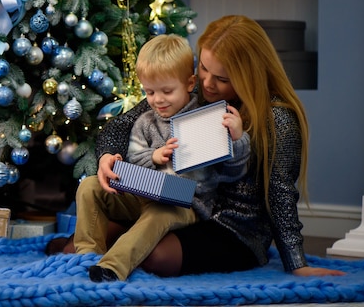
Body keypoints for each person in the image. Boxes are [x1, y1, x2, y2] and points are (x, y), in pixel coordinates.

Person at [50, 15, 345, 279]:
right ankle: (108, 246)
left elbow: (281, 192)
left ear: (249, 76)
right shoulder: (193, 91)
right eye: (203, 68)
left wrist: (296, 262)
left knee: (155, 257)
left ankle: (117, 245)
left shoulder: (277, 118)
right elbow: (121, 124)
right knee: (72, 247)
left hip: (234, 229)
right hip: (177, 203)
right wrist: (106, 158)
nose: (207, 82)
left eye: (222, 78)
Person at [76, 34, 251, 282]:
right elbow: (134, 159)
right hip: (144, 193)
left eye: (167, 91)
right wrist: (154, 156)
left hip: (184, 205)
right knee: (89, 185)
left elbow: (233, 172)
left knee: (158, 214)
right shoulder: (145, 121)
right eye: (149, 92)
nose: (157, 100)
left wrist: (237, 139)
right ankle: (84, 257)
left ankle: (112, 268)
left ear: (190, 83)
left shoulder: (206, 118)